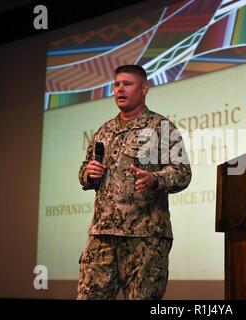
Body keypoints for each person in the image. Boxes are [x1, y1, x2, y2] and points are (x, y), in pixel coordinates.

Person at [76, 64, 192, 300]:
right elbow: (83, 171)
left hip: (145, 239)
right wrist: (88, 174)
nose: (120, 89)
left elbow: (183, 173)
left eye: (127, 84)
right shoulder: (103, 131)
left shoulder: (162, 128)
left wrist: (155, 179)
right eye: (117, 84)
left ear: (144, 89)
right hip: (102, 237)